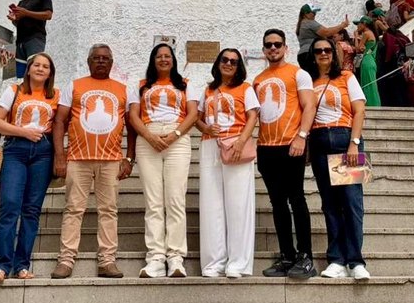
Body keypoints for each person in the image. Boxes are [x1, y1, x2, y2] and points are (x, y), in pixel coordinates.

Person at [51, 44, 135, 279]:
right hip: (78, 158)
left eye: (105, 58)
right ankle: (66, 260)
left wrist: (129, 157)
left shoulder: (122, 89)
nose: (101, 61)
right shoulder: (75, 85)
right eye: (96, 58)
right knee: (73, 208)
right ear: (88, 62)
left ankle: (107, 261)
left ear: (112, 63)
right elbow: (60, 121)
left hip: (110, 160)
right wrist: (60, 155)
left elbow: (131, 125)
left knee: (108, 210)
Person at [128, 43, 200, 278]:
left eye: (167, 56)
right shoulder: (141, 85)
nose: (163, 59)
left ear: (173, 59)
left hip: (177, 138)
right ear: (153, 60)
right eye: (159, 56)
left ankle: (176, 257)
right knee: (154, 201)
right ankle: (156, 257)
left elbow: (192, 114)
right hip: (147, 138)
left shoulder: (185, 84)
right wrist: (149, 136)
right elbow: (133, 116)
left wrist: (174, 135)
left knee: (175, 199)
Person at [0, 53, 60, 285]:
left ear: (50, 72)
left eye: (45, 66)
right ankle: (1, 265)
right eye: (36, 65)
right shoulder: (14, 90)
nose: (40, 69)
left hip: (43, 153)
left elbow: (60, 125)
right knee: (10, 205)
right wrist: (24, 132)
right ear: (28, 69)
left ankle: (22, 265)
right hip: (15, 150)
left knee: (31, 209)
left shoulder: (56, 95)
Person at [253, 30, 317, 279]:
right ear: (264, 49)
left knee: (297, 199)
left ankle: (306, 256)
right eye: (268, 45)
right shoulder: (258, 79)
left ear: (285, 47)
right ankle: (287, 255)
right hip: (266, 147)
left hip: (291, 144)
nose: (273, 48)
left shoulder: (298, 73)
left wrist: (302, 136)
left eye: (277, 44)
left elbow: (309, 105)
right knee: (277, 203)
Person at [307, 38, 369, 280]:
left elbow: (360, 110)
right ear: (312, 55)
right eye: (318, 50)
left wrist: (354, 143)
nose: (323, 53)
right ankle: (336, 260)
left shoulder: (346, 77)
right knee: (330, 203)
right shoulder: (308, 81)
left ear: (334, 54)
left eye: (327, 50)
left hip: (345, 138)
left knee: (352, 203)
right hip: (320, 140)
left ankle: (356, 260)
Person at [195, 48, 260, 278]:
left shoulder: (246, 88)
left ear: (239, 65)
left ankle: (238, 263)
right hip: (210, 145)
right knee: (211, 205)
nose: (229, 64)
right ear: (218, 62)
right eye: (225, 60)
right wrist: (205, 128)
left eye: (234, 61)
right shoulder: (208, 89)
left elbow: (253, 115)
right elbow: (198, 119)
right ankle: (214, 262)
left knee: (238, 205)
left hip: (235, 144)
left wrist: (241, 142)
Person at [8, 0, 53, 79]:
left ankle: (36, 94)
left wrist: (26, 13)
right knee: (20, 75)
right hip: (20, 41)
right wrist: (14, 19)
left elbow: (48, 15)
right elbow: (18, 24)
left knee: (35, 70)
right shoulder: (22, 2)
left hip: (35, 38)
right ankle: (23, 94)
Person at [295, 4, 349, 73]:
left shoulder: (302, 24)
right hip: (310, 54)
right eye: (313, 13)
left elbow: (324, 35)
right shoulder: (309, 23)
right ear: (305, 14)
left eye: (315, 12)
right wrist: (342, 26)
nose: (315, 14)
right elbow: (326, 32)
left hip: (303, 54)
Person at [353, 17, 381, 107]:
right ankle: (375, 104)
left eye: (359, 24)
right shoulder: (372, 33)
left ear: (364, 24)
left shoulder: (366, 33)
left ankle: (371, 105)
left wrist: (356, 37)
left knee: (367, 85)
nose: (357, 26)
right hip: (371, 60)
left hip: (366, 61)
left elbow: (358, 49)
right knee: (372, 85)